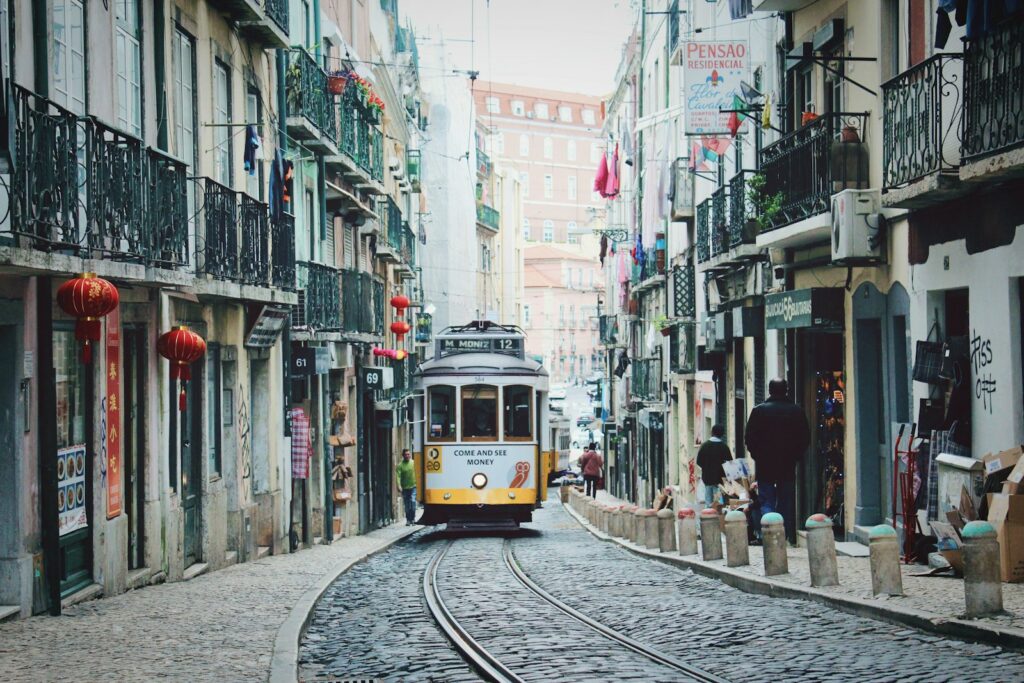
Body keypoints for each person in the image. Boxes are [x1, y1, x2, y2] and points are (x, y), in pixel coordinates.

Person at [744, 378, 810, 544]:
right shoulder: (796, 411)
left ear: (769, 390)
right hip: (787, 463)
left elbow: (749, 438)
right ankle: (783, 534)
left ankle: (769, 532)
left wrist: (756, 455)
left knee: (766, 499)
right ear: (786, 390)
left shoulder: (759, 411)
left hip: (765, 464)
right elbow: (805, 438)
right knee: (785, 500)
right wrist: (796, 456)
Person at [696, 424, 732, 507]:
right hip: (720, 480)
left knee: (708, 501)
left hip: (707, 478)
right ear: (722, 434)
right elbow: (730, 464)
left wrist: (707, 468)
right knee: (719, 502)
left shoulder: (704, 446)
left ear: (711, 432)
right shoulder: (724, 447)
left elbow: (699, 462)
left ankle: (708, 516)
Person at [395, 448, 417, 526]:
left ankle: (413, 519)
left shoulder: (414, 463)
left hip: (413, 486)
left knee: (413, 501)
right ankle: (408, 520)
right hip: (405, 488)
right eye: (406, 454)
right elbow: (398, 476)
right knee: (407, 504)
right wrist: (399, 485)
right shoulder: (400, 465)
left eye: (408, 454)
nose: (407, 456)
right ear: (403, 455)